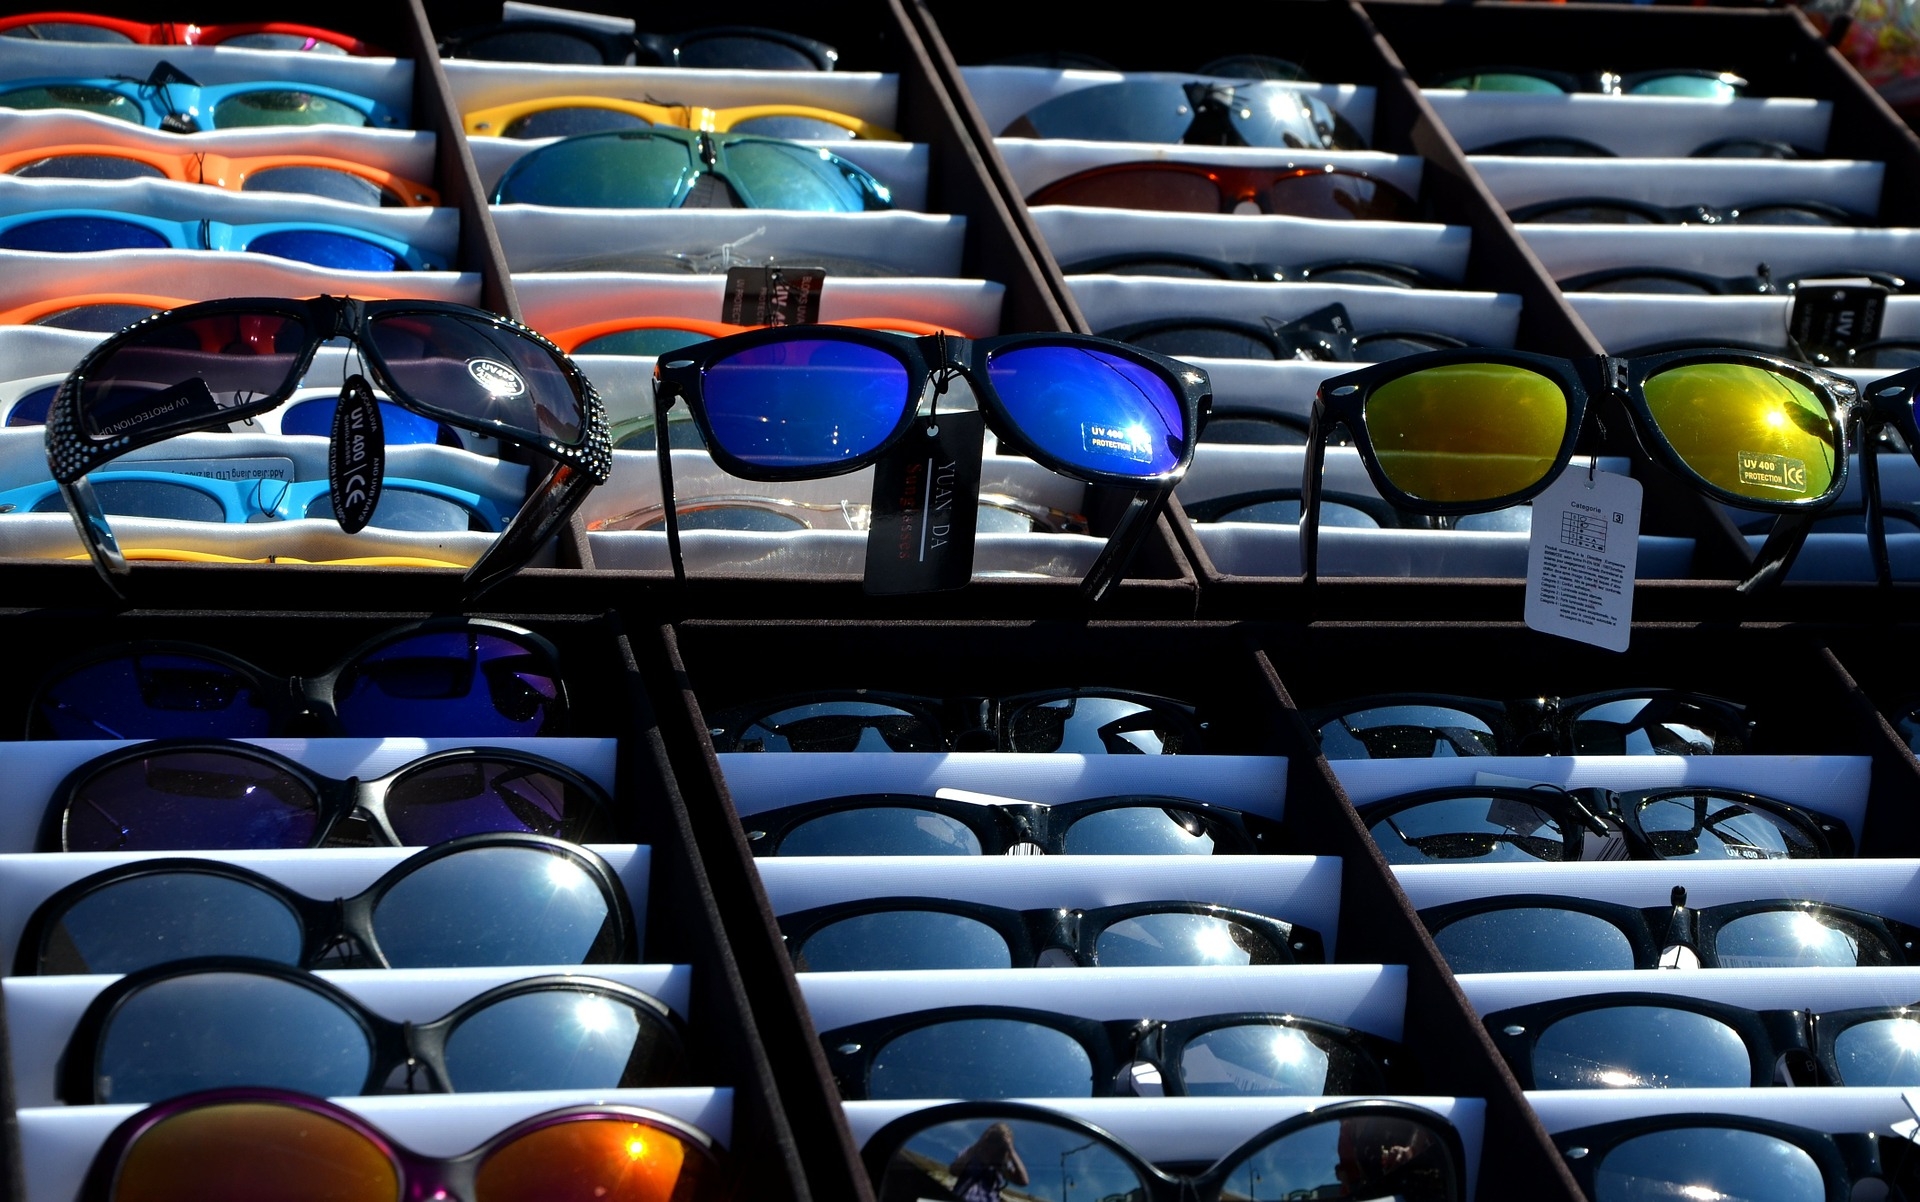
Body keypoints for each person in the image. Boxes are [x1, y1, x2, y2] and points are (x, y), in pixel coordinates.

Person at [949, 1122, 1029, 1202]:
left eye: (998, 1140)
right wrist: (979, 1143)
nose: (993, 1144)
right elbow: (953, 1171)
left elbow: (1023, 1181)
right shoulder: (970, 1153)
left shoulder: (1002, 1163)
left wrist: (1010, 1149)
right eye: (992, 1139)